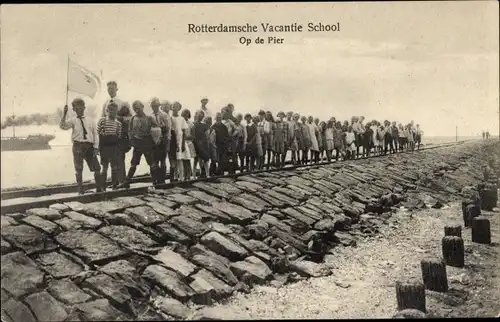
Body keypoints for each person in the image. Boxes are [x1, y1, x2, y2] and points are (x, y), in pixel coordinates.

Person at [60, 98, 103, 195]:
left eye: (81, 107)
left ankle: (99, 188)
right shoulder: (73, 121)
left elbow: (95, 134)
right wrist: (64, 113)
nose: (79, 109)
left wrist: (96, 148)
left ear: (84, 108)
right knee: (78, 168)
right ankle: (80, 190)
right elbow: (63, 126)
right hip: (77, 147)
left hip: (89, 147)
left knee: (97, 168)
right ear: (74, 109)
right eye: (76, 107)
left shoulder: (90, 121)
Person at [119, 100, 160, 188]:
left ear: (142, 107)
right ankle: (127, 181)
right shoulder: (133, 119)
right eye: (135, 109)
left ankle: (155, 181)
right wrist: (131, 140)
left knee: (151, 162)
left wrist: (155, 140)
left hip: (147, 143)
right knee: (133, 163)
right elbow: (129, 131)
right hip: (137, 144)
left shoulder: (149, 118)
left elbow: (157, 128)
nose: (137, 110)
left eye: (138, 108)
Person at [97, 102, 122, 191]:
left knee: (114, 167)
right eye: (110, 110)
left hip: (114, 147)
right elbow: (98, 134)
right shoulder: (102, 121)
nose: (112, 112)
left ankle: (114, 185)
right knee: (104, 167)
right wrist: (98, 148)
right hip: (104, 147)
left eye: (114, 111)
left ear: (117, 111)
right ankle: (102, 186)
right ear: (106, 111)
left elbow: (118, 136)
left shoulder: (118, 123)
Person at [150, 97, 171, 184]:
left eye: (156, 105)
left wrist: (168, 143)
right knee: (154, 161)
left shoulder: (164, 115)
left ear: (159, 106)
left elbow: (168, 130)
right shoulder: (149, 116)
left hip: (163, 140)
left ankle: (162, 180)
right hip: (153, 142)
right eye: (152, 105)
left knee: (162, 161)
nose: (154, 107)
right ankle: (155, 179)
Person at [171, 102, 189, 181]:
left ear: (179, 108)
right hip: (172, 141)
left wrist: (183, 144)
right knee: (174, 160)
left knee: (180, 159)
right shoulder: (170, 118)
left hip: (180, 140)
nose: (175, 108)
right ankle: (175, 177)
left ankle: (181, 178)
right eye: (174, 106)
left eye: (177, 107)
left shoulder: (181, 119)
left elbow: (184, 132)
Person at [116, 103, 132, 186]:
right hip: (120, 141)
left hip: (123, 141)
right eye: (123, 108)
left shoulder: (127, 118)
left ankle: (122, 180)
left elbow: (126, 119)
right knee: (119, 161)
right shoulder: (123, 117)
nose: (125, 109)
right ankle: (120, 180)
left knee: (120, 161)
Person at [193, 110, 211, 178]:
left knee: (205, 159)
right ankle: (194, 175)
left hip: (203, 144)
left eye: (202, 116)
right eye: (199, 115)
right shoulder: (193, 124)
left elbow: (207, 136)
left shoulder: (204, 125)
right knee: (196, 159)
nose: (200, 117)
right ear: (196, 115)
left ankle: (207, 174)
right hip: (196, 143)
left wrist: (206, 144)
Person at [182, 109, 195, 180]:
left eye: (187, 114)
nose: (185, 116)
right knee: (183, 160)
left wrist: (185, 137)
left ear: (188, 115)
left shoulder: (191, 124)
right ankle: (184, 175)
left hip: (188, 143)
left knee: (187, 160)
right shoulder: (180, 123)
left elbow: (193, 136)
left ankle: (188, 176)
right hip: (181, 143)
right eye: (184, 114)